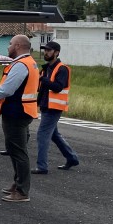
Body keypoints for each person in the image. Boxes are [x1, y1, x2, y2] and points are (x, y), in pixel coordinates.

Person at [0, 34, 39, 203]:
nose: (8, 47)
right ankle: (18, 185)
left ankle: (22, 191)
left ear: (17, 46)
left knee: (18, 151)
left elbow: (8, 88)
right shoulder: (30, 62)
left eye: (10, 44)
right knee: (16, 149)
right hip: (23, 111)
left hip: (16, 112)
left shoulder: (20, 65)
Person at [34, 41, 80, 173]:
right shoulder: (46, 68)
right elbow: (43, 90)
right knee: (54, 135)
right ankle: (72, 158)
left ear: (56, 52)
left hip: (54, 108)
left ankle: (42, 167)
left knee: (42, 135)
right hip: (46, 106)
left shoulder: (62, 69)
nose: (45, 52)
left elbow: (58, 87)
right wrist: (36, 104)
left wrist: (43, 79)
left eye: (48, 50)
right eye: (45, 50)